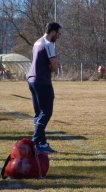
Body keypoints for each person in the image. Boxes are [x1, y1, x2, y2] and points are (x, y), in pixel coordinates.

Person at [26, 22, 62, 153]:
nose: (58, 36)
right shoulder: (49, 44)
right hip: (42, 80)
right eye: (58, 34)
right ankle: (34, 142)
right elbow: (55, 67)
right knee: (46, 112)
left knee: (39, 113)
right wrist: (52, 66)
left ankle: (42, 144)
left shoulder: (37, 42)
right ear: (52, 32)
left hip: (31, 79)